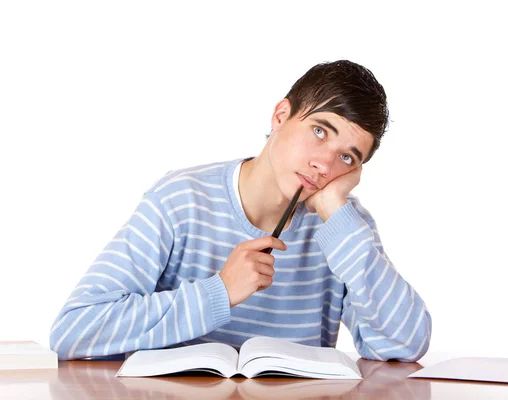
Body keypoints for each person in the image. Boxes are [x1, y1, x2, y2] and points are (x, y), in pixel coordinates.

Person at [49, 60, 432, 362]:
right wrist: (220, 292)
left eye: (346, 157)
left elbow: (405, 344)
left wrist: (335, 208)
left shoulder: (344, 228)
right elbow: (75, 329)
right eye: (319, 131)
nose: (323, 164)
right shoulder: (181, 198)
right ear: (281, 115)